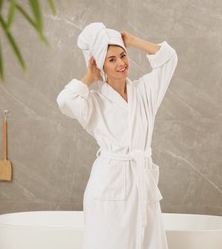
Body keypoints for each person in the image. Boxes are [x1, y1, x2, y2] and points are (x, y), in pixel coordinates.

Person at [57, 22, 178, 249]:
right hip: (109, 185)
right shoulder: (94, 102)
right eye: (111, 59)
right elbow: (64, 101)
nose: (121, 63)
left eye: (122, 56)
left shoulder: (144, 93)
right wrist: (89, 78)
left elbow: (169, 59)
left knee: (149, 241)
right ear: (101, 65)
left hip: (142, 181)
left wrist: (132, 41)